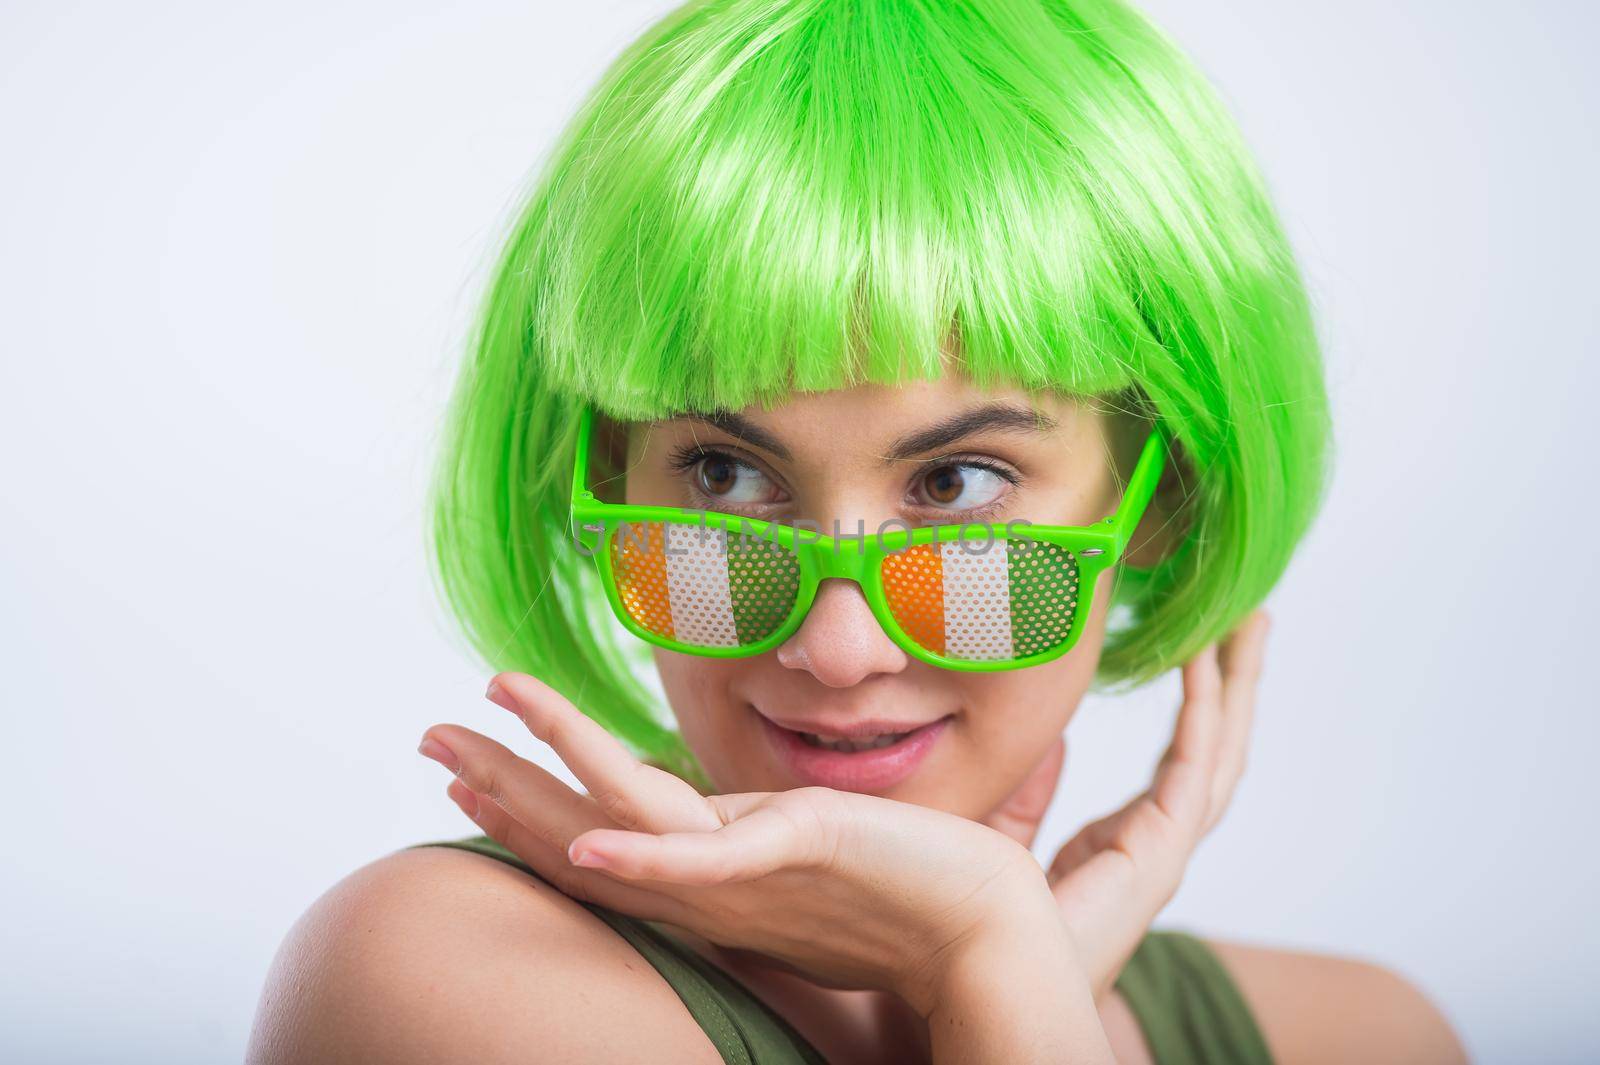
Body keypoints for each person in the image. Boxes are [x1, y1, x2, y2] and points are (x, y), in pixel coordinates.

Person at [248, 1, 1468, 1060]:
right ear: (612, 476)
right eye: (723, 474)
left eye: (957, 485)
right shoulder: (443, 991)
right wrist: (991, 958)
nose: (836, 651)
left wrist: (998, 973)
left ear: (1160, 499)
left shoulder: (1361, 1039)